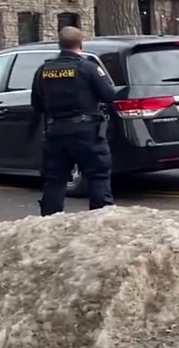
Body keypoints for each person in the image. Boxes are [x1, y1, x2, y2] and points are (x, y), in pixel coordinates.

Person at [30, 26, 116, 216]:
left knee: (55, 180)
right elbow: (109, 95)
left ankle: (50, 223)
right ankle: (100, 221)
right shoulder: (88, 68)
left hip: (56, 131)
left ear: (59, 44)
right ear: (81, 43)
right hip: (86, 131)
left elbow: (37, 103)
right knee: (98, 176)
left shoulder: (44, 70)